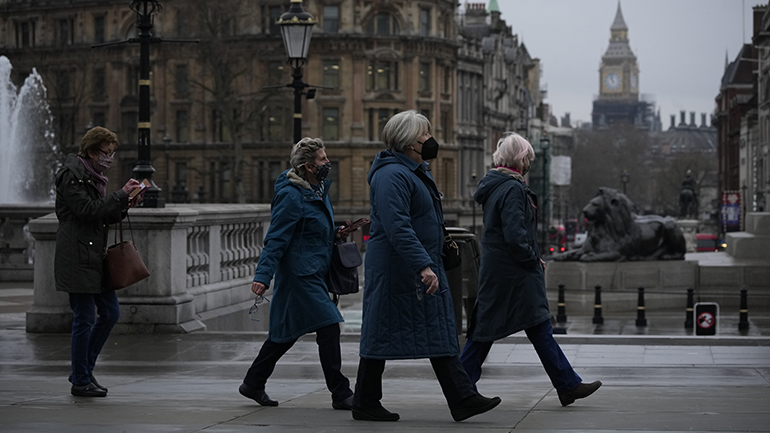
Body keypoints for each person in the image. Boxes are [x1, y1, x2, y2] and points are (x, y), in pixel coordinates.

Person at [352, 110, 501, 422]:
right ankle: (369, 400)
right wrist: (422, 264)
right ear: (408, 142)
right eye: (424, 134)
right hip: (398, 269)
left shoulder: (415, 171)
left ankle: (460, 397)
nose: (429, 139)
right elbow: (397, 226)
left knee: (436, 328)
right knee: (384, 331)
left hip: (416, 264)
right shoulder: (391, 175)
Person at [460, 132, 602, 407]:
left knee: (533, 327)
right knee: (487, 332)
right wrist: (531, 259)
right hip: (514, 275)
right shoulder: (512, 188)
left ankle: (567, 384)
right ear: (520, 159)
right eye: (528, 160)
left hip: (500, 271)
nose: (530, 166)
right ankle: (462, 390)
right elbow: (515, 234)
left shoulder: (495, 186)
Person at [239, 137, 356, 411]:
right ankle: (341, 393)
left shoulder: (318, 189)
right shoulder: (291, 195)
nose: (328, 163)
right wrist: (262, 276)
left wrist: (336, 233)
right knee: (329, 325)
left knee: (285, 333)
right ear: (309, 166)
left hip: (314, 271)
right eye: (323, 160)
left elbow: (312, 229)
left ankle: (253, 382)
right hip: (299, 275)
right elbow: (276, 238)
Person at [55, 126, 142, 397]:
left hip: (93, 256)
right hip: (76, 257)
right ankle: (80, 380)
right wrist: (119, 196)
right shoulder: (72, 176)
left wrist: (126, 202)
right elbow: (86, 211)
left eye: (112, 153)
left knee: (111, 313)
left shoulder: (94, 177)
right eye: (106, 153)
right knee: (84, 318)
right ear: (91, 152)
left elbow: (102, 216)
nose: (110, 158)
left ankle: (82, 370)